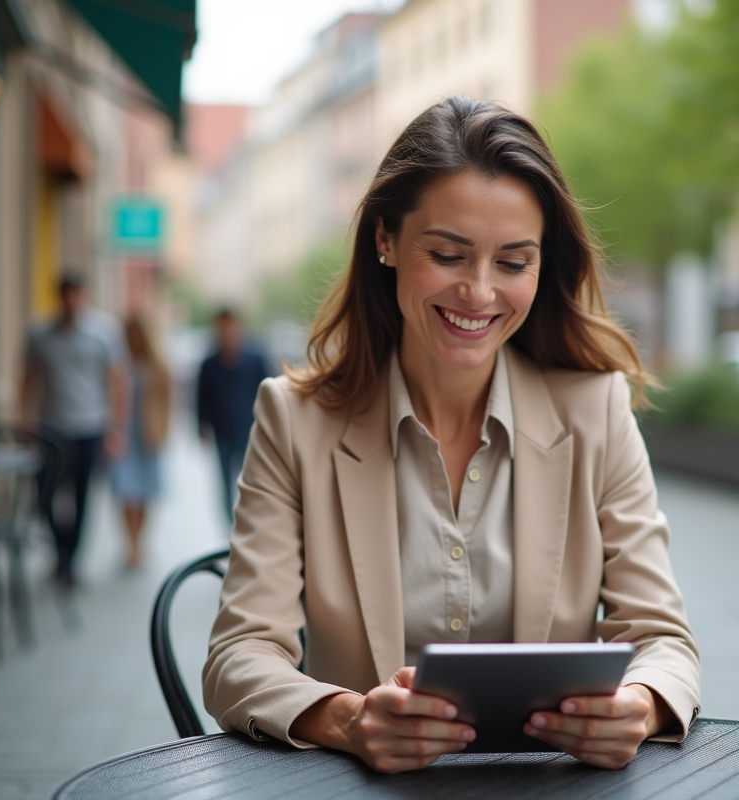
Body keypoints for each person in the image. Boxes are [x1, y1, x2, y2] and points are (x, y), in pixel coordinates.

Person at [202, 97, 700, 774]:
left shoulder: (595, 410)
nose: (479, 292)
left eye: (513, 263)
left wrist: (637, 705)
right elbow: (238, 657)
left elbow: (662, 636)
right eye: (447, 254)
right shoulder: (294, 420)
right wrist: (351, 720)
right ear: (386, 239)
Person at [21, 273, 127, 587]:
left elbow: (117, 381)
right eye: (65, 295)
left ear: (83, 296)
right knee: (46, 495)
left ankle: (71, 561)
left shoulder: (104, 332)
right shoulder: (39, 334)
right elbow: (27, 380)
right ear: (59, 296)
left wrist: (116, 428)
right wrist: (25, 424)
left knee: (82, 496)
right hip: (50, 429)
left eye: (76, 295)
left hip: (90, 427)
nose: (71, 301)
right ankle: (60, 551)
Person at [196, 309, 273, 522]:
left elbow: (270, 392)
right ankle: (229, 527)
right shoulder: (210, 364)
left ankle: (251, 521)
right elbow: (202, 397)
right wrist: (201, 425)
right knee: (224, 482)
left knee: (254, 480)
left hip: (251, 430)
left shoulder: (255, 359)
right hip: (222, 431)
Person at [109, 314, 171, 569]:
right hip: (124, 433)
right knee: (125, 489)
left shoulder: (157, 365)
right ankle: (130, 541)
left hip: (147, 434)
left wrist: (164, 430)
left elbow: (167, 400)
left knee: (144, 491)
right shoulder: (117, 363)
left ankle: (140, 540)